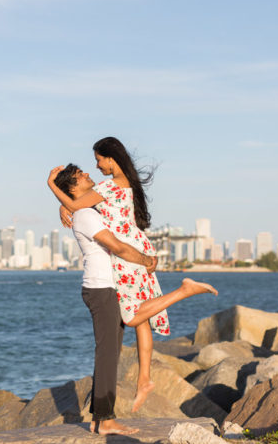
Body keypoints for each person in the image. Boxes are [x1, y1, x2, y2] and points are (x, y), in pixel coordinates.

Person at [51, 162, 218, 416]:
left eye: (94, 164)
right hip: (133, 252)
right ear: (73, 186)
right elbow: (79, 207)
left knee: (132, 317)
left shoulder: (102, 194)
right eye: (82, 174)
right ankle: (144, 380)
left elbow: (83, 211)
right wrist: (62, 203)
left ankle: (184, 290)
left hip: (131, 255)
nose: (90, 172)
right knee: (141, 319)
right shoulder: (101, 197)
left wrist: (58, 195)